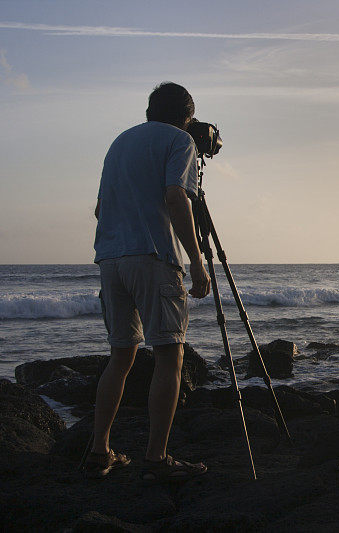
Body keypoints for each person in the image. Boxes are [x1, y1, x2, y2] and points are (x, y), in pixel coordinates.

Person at [86, 82, 212, 482]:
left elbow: (99, 208)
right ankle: (156, 458)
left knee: (120, 357)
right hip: (155, 257)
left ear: (149, 110)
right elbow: (177, 196)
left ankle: (99, 451)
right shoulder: (179, 141)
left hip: (110, 258)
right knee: (169, 355)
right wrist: (196, 261)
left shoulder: (120, 142)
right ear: (187, 117)